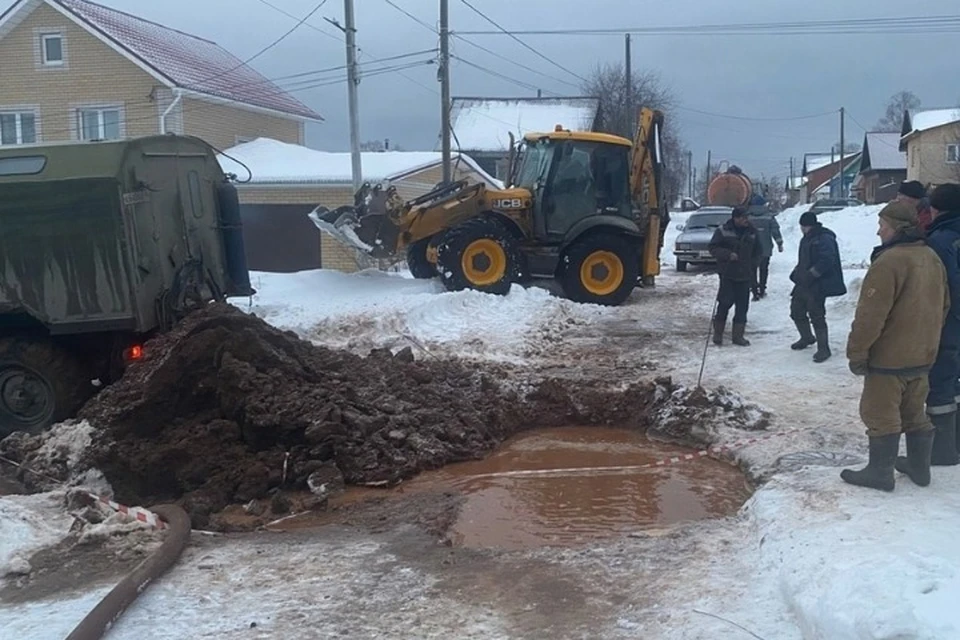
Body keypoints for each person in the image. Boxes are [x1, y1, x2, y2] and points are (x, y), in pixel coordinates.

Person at [842, 202, 949, 491]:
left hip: (889, 360)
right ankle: (918, 467)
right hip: (923, 356)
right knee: (915, 413)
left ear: (897, 228)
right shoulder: (931, 257)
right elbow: (945, 306)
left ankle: (879, 473)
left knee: (880, 413)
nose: (879, 231)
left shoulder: (889, 262)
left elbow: (870, 317)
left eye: (883, 226)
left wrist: (857, 353)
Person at [916, 183, 960, 466]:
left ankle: (942, 451)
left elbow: (943, 286)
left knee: (942, 379)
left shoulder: (941, 240)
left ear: (935, 209)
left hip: (949, 320)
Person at [789, 211, 846, 363]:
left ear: (810, 225)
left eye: (804, 226)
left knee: (817, 315)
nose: (802, 229)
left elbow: (827, 260)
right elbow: (804, 260)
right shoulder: (807, 238)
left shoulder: (824, 238)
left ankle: (823, 349)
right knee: (796, 311)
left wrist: (812, 274)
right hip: (804, 283)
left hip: (818, 284)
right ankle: (807, 337)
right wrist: (797, 272)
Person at [708, 207, 762, 347]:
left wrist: (752, 265)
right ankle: (718, 334)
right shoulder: (723, 230)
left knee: (742, 307)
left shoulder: (752, 232)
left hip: (745, 276)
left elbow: (758, 252)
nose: (746, 220)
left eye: (747, 217)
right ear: (735, 218)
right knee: (724, 304)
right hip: (727, 274)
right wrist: (727, 255)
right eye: (743, 217)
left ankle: (738, 336)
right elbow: (713, 248)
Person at [748, 206, 784, 301]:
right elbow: (775, 231)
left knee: (752, 270)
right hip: (765, 248)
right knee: (764, 269)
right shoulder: (769, 217)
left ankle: (755, 291)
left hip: (751, 249)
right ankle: (762, 289)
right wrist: (779, 243)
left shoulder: (748, 217)